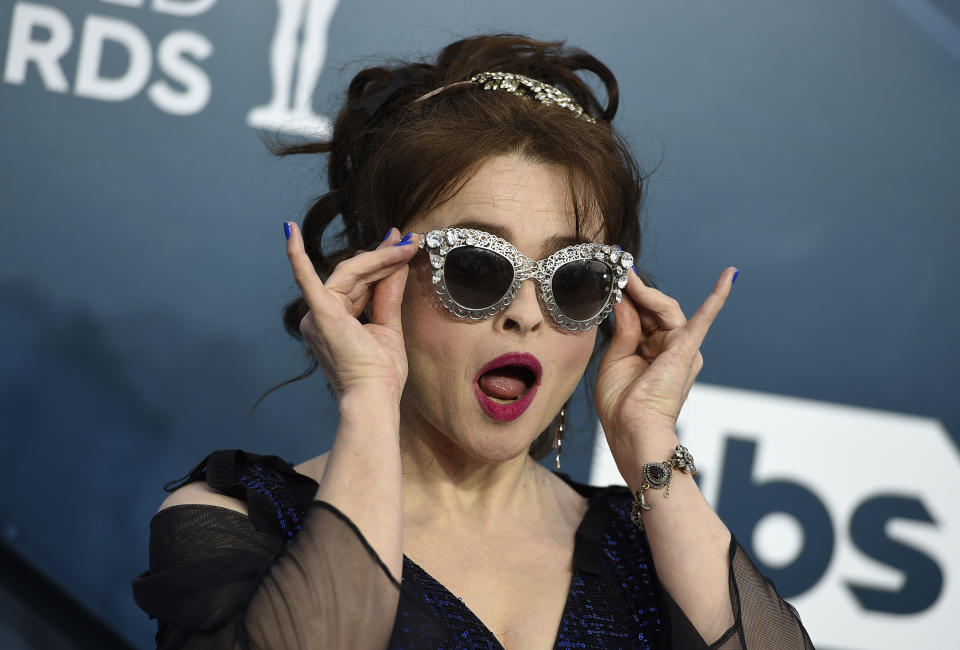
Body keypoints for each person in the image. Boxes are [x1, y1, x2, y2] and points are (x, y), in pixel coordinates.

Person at [132, 34, 815, 649]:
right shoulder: (238, 522)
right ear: (375, 277)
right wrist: (368, 401)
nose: (526, 314)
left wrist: (650, 444)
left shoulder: (654, 545)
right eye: (476, 267)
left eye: (573, 279)